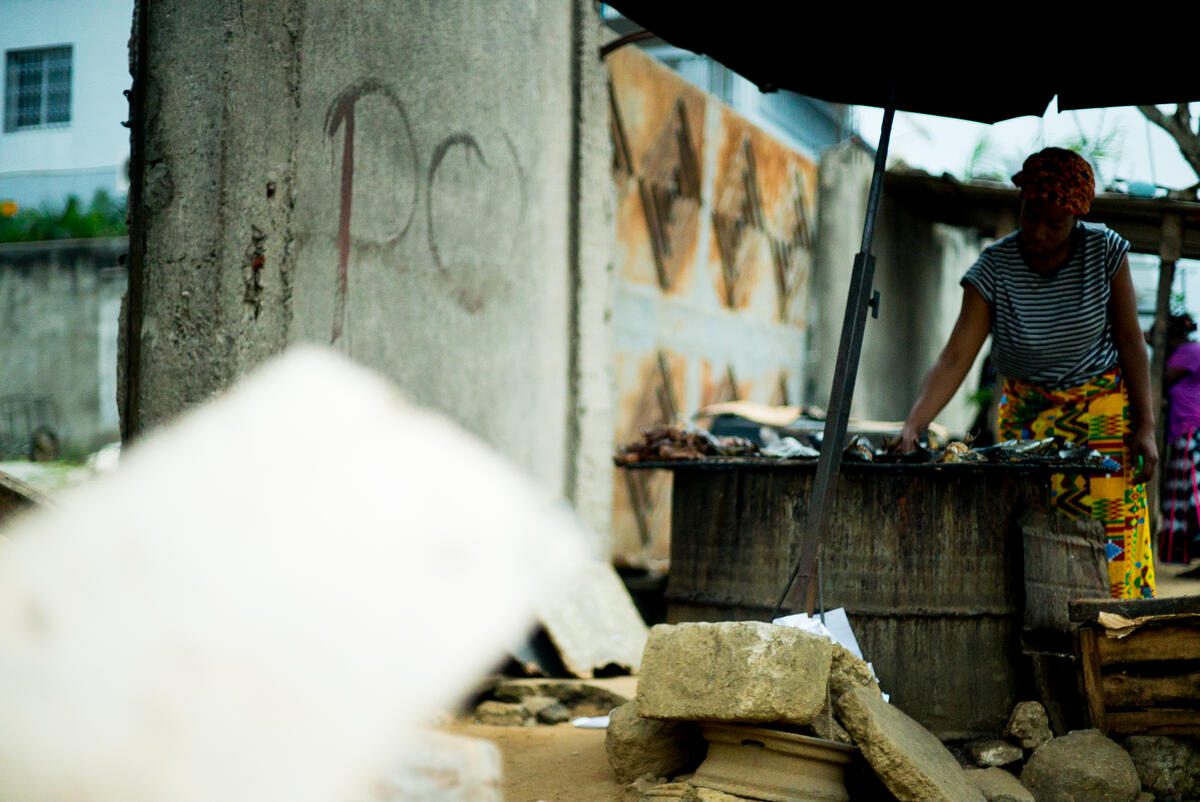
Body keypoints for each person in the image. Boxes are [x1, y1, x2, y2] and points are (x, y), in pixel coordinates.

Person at [896, 147, 1157, 600]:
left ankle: (1115, 645)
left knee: (1109, 542)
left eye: (1053, 223)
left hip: (1103, 417)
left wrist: (1147, 426)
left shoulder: (1104, 252)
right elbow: (955, 358)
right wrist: (913, 425)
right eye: (1030, 214)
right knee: (1033, 540)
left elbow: (1132, 343)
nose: (1037, 231)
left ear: (1076, 217)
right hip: (1029, 420)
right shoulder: (995, 269)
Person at [1161, 313, 1200, 569]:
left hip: (1191, 429)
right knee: (1183, 494)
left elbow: (1163, 378)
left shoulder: (1188, 352)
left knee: (1193, 494)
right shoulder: (1188, 350)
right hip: (1183, 429)